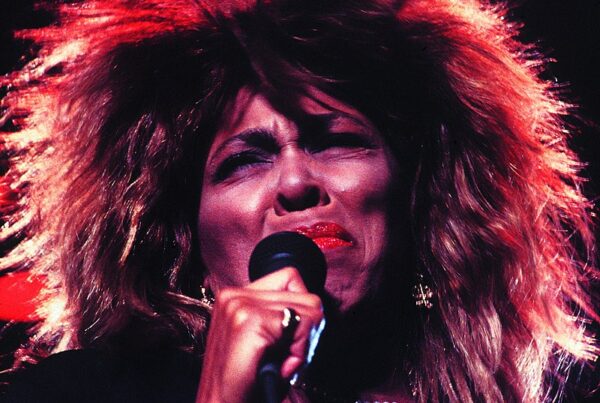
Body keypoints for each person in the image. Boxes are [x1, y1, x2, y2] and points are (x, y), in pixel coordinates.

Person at [0, 0, 597, 401]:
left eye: (335, 141)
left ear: (417, 198)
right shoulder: (71, 393)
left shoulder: (555, 392)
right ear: (189, 246)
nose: (294, 184)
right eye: (244, 161)